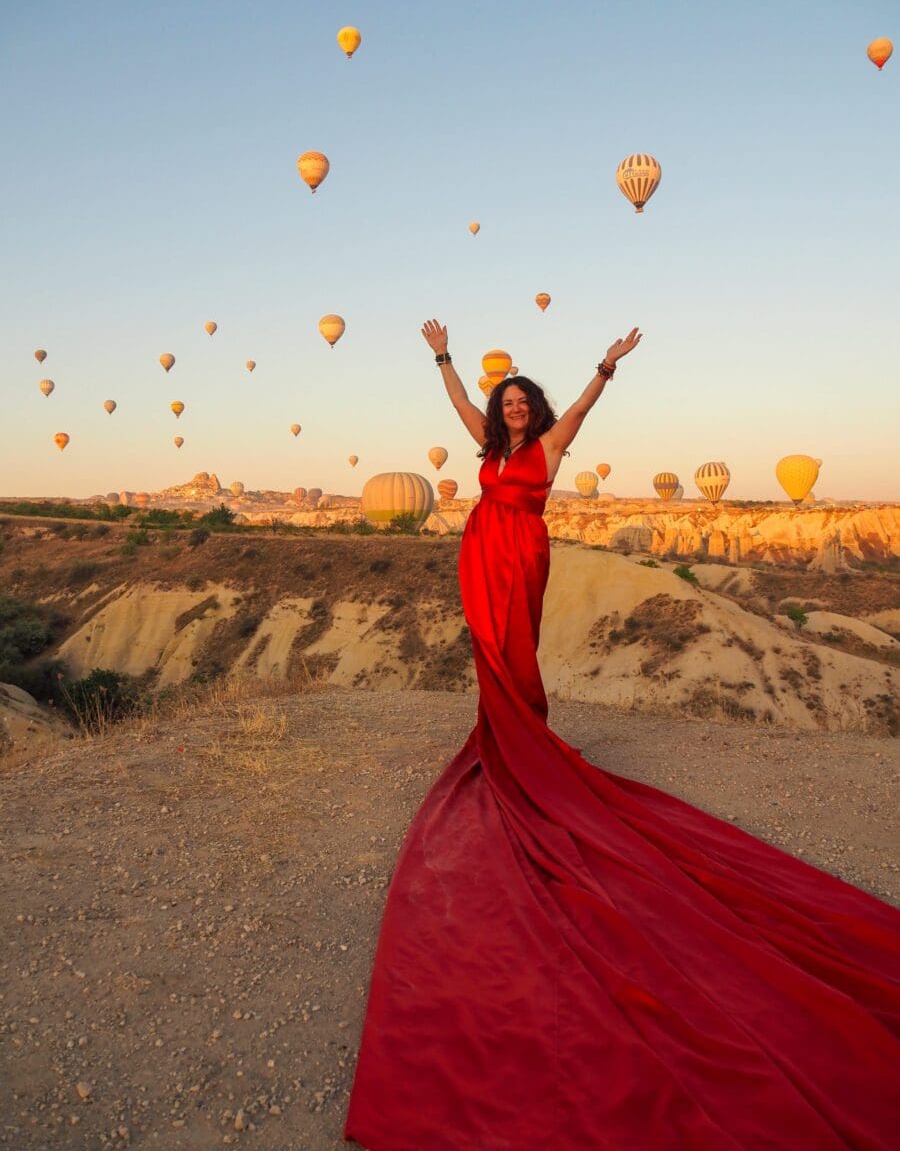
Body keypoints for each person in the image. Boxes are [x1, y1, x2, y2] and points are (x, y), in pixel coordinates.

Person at [344, 321, 900, 1151]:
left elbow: (588, 412)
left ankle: (524, 747)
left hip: (522, 555)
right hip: (479, 550)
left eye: (525, 398)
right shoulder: (485, 445)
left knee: (518, 656)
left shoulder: (551, 449)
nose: (517, 406)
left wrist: (606, 366)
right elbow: (460, 400)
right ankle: (502, 744)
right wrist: (444, 357)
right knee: (486, 654)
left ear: (539, 409)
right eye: (510, 401)